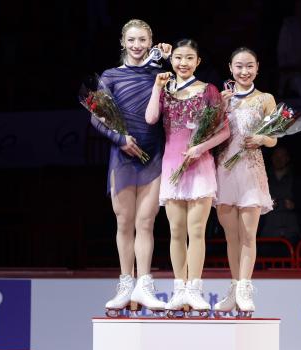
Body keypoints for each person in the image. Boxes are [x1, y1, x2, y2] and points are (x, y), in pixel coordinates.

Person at [90, 19, 172, 316]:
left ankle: (145, 284)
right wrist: (120, 139)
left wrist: (170, 59)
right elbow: (96, 117)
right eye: (132, 40)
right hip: (122, 157)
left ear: (151, 43)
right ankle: (125, 284)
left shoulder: (160, 74)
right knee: (124, 223)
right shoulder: (110, 76)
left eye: (143, 40)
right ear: (122, 43)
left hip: (154, 155)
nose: (137, 46)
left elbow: (177, 98)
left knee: (146, 223)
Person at [145, 39, 230, 316]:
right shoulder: (164, 90)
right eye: (179, 58)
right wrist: (157, 87)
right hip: (172, 167)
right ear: (173, 61)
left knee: (196, 232)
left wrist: (200, 148)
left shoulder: (209, 91)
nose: (183, 63)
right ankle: (178, 288)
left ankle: (195, 288)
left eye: (189, 58)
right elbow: (150, 119)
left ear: (198, 62)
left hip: (200, 166)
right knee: (176, 232)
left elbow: (224, 131)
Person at [213, 47, 277, 316]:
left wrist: (262, 139)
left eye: (249, 66)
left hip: (251, 170)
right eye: (239, 66)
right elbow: (209, 134)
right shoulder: (220, 98)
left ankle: (245, 288)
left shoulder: (265, 99)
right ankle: (234, 286)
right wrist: (220, 109)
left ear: (258, 67)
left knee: (248, 235)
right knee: (232, 237)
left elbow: (274, 138)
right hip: (225, 171)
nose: (244, 71)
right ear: (230, 67)